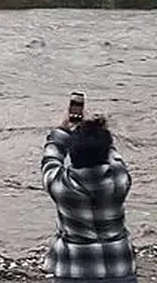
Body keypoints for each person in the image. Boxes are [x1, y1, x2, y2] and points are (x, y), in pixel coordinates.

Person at [41, 112, 137, 282]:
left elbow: (51, 157)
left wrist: (63, 129)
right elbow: (111, 152)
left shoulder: (61, 185)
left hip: (74, 270)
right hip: (119, 267)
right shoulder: (119, 178)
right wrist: (97, 130)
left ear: (72, 154)